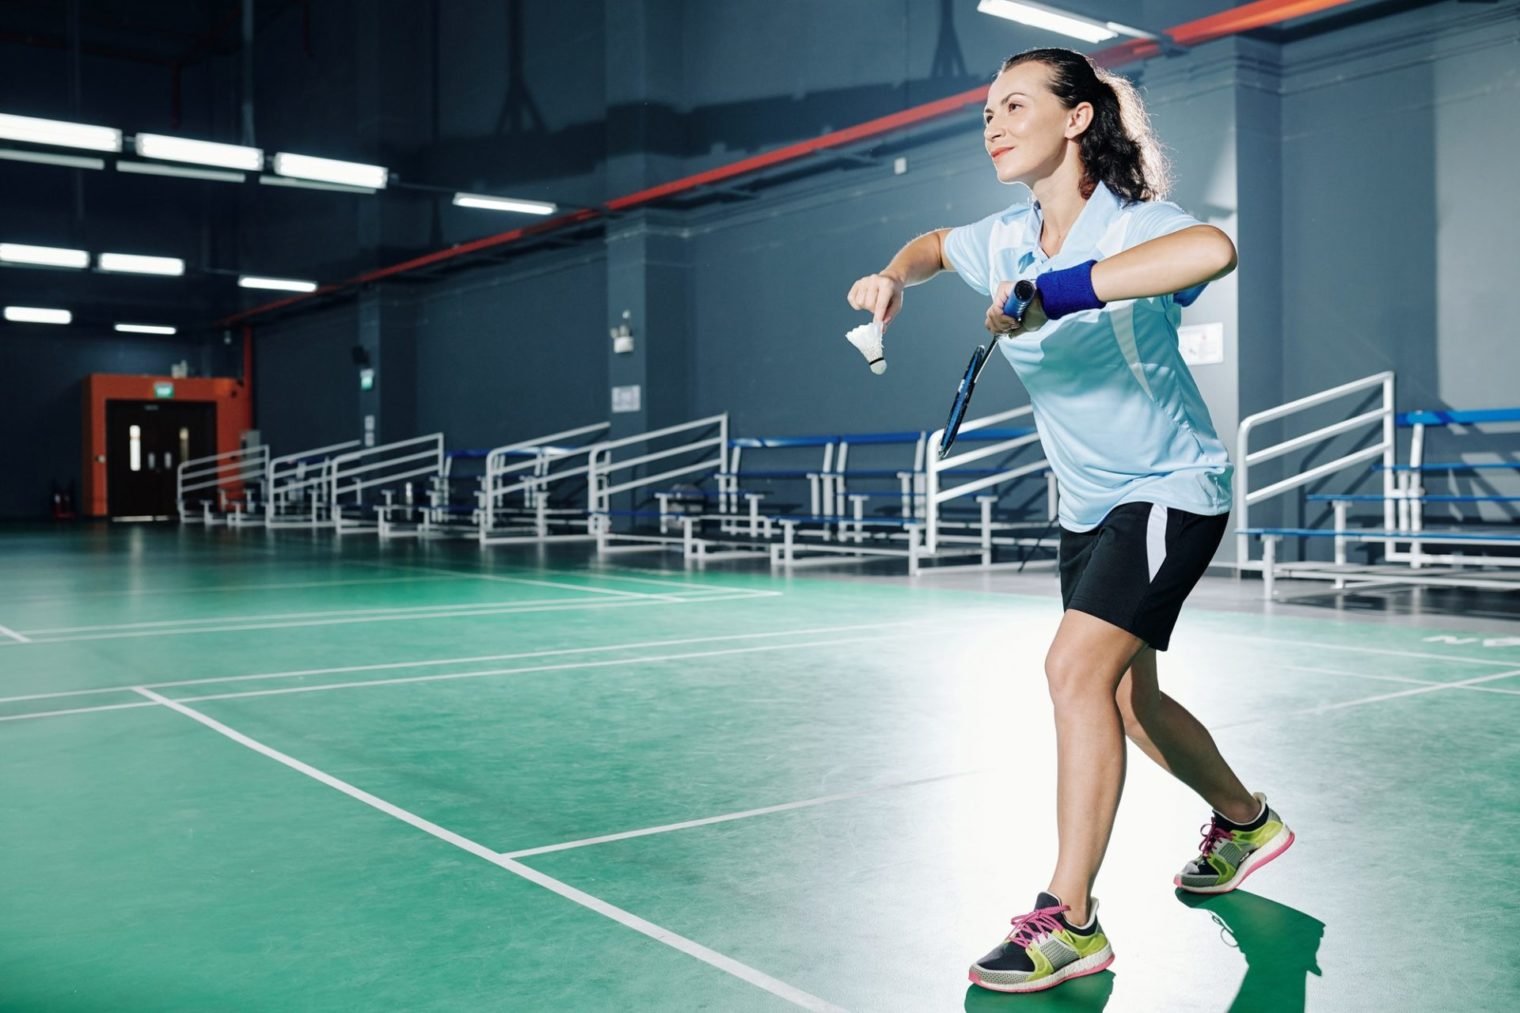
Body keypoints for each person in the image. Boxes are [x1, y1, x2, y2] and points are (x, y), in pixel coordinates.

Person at [845, 48, 1295, 994]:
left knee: (1068, 671)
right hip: (1087, 503)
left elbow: (1213, 251)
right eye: (985, 113)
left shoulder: (1138, 226)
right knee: (1128, 702)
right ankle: (1247, 819)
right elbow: (932, 242)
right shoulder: (1003, 235)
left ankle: (1070, 918)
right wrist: (891, 277)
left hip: (1171, 488)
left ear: (1078, 118)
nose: (994, 124)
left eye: (1016, 105)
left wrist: (1060, 290)